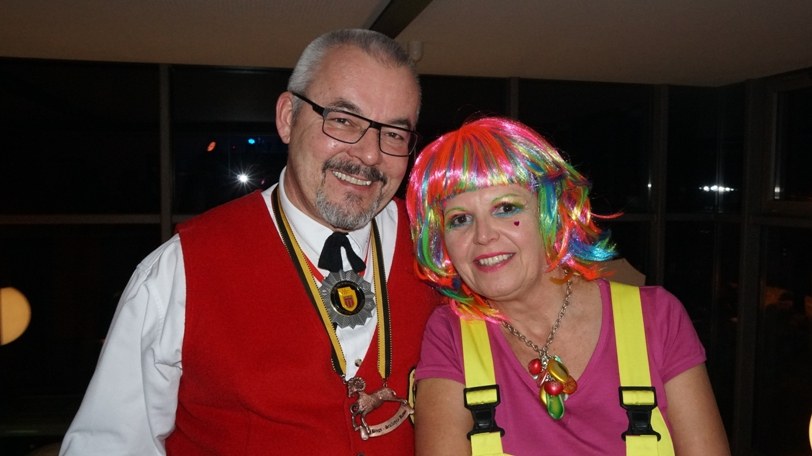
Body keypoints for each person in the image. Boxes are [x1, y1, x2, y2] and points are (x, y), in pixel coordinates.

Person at [59, 29, 440, 455]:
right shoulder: (180, 270)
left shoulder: (440, 250)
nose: (370, 154)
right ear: (287, 117)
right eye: (343, 120)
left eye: (393, 134)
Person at [405, 117, 730, 455]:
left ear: (551, 212)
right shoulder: (450, 335)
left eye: (505, 208)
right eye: (460, 219)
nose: (483, 235)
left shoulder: (658, 318)